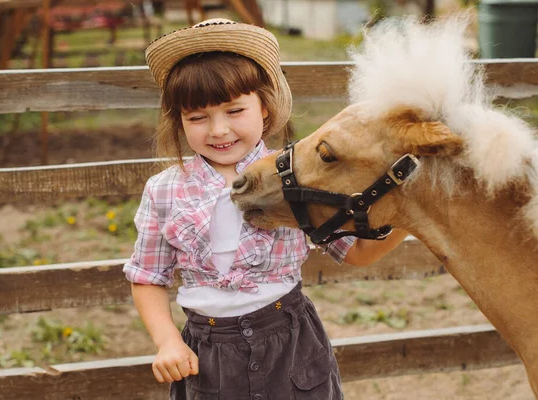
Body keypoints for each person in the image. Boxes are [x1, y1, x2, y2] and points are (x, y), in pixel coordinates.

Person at [123, 18, 408, 400]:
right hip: (208, 357)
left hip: (290, 345)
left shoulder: (297, 177)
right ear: (179, 122)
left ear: (266, 110)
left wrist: (407, 218)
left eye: (234, 111)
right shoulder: (164, 191)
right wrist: (168, 341)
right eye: (197, 118)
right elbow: (148, 276)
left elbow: (356, 252)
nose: (218, 130)